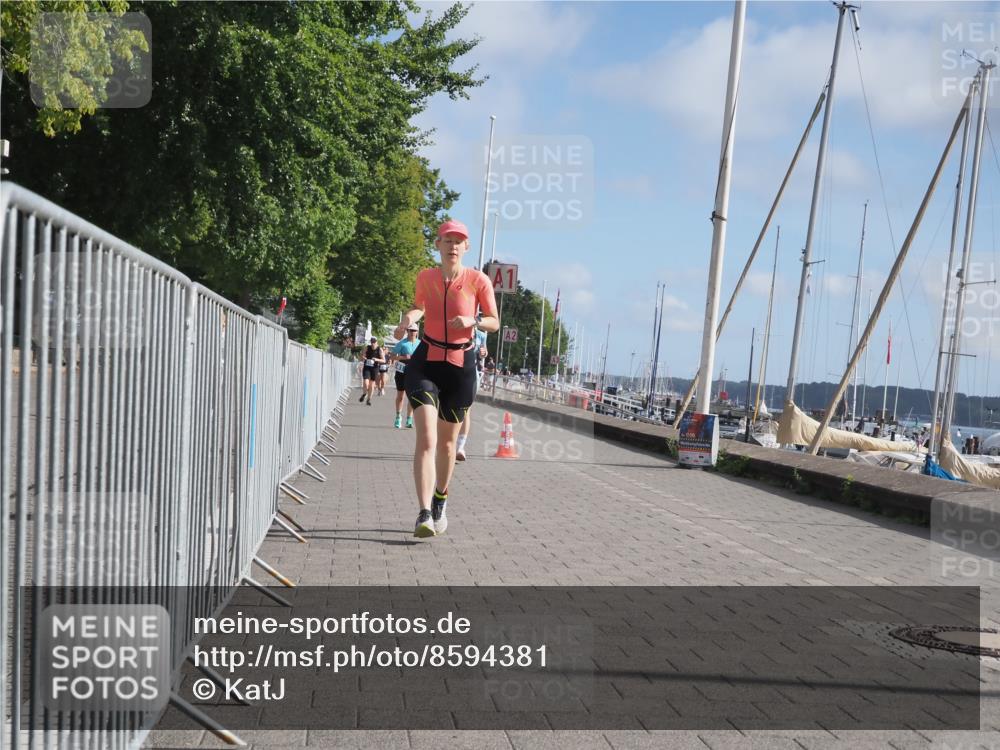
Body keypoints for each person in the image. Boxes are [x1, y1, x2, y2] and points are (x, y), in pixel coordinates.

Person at [394, 220, 499, 538]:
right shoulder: (426, 277)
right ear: (437, 245)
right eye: (447, 240)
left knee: (448, 443)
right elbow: (419, 308)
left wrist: (473, 320)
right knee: (426, 438)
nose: (453, 246)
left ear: (466, 248)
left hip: (460, 365)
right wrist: (406, 320)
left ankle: (440, 498)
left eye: (459, 241)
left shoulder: (478, 280)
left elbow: (494, 321)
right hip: (426, 362)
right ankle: (424, 513)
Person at [455, 329, 488, 461]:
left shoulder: (480, 334)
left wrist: (483, 353)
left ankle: (460, 447)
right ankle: (447, 441)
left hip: (470, 372)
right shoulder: (455, 326)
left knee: (466, 409)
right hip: (451, 369)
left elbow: (484, 352)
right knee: (446, 406)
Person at [391, 324, 421, 428]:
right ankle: (398, 417)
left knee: (411, 396)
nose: (412, 332)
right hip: (402, 371)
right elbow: (392, 356)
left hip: (414, 372)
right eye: (410, 330)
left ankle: (409, 419)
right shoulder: (402, 343)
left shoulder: (420, 344)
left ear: (417, 332)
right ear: (407, 331)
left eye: (414, 331)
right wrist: (403, 357)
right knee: (401, 396)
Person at [360, 337, 384, 405]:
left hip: (375, 368)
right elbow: (361, 355)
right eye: (372, 342)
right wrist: (364, 358)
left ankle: (369, 400)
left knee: (372, 385)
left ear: (377, 342)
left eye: (374, 342)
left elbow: (383, 360)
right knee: (366, 382)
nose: (373, 343)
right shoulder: (367, 347)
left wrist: (376, 359)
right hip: (367, 367)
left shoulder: (379, 349)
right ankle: (364, 394)